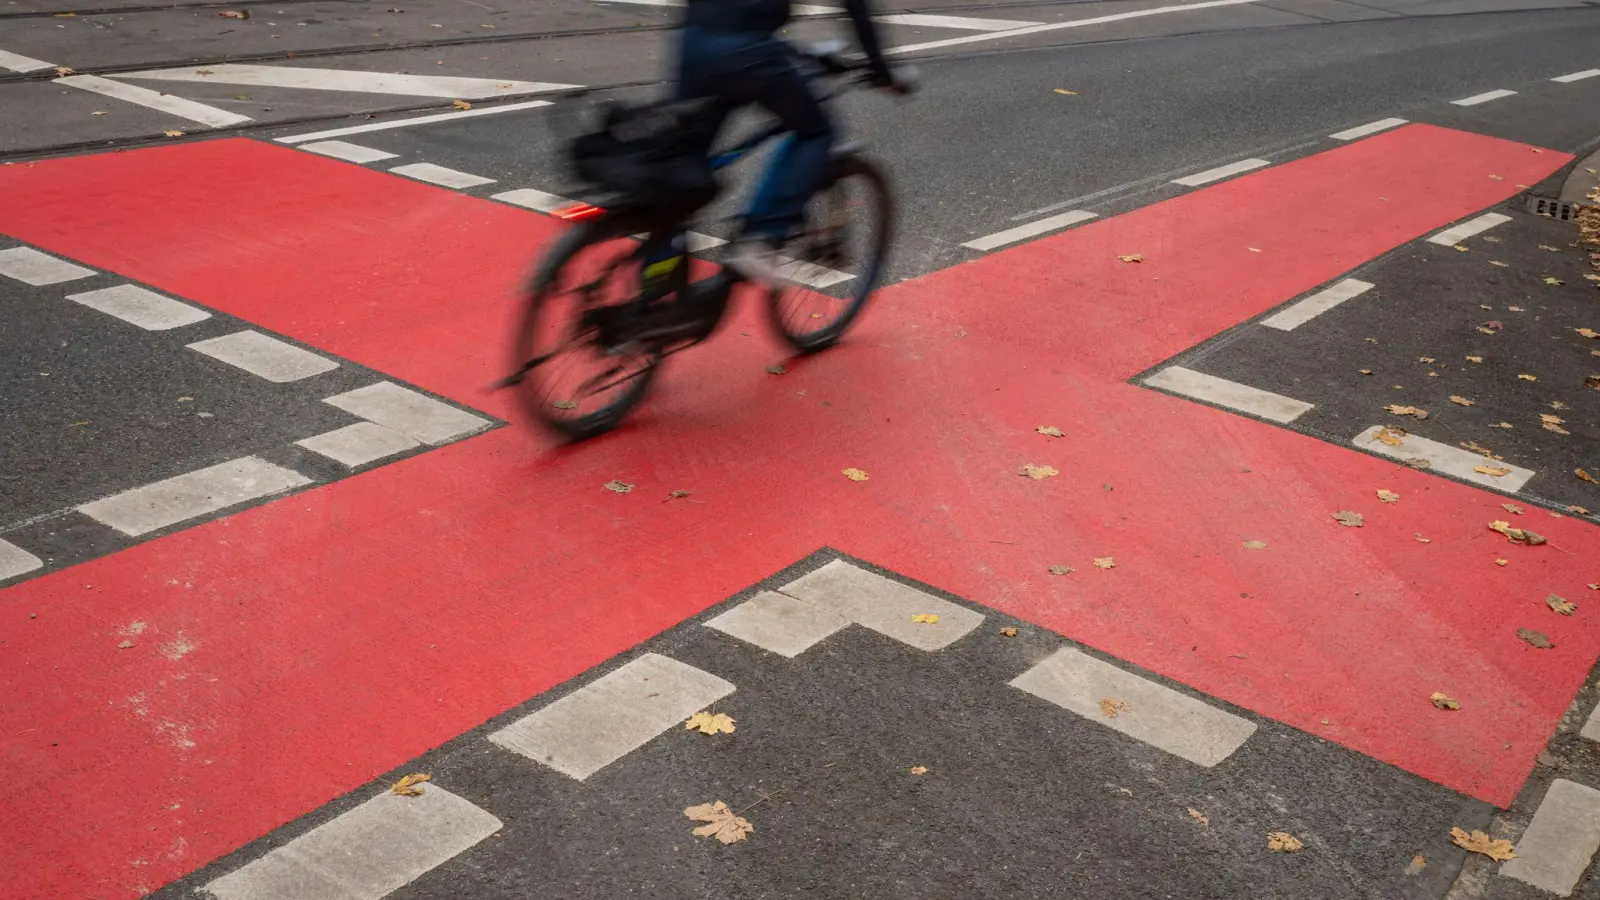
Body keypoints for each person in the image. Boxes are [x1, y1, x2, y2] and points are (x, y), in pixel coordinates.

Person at [676, 0, 903, 282]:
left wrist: (794, 52)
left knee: (681, 170)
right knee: (817, 130)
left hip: (691, 45)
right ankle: (762, 238)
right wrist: (881, 69)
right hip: (746, 52)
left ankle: (655, 288)